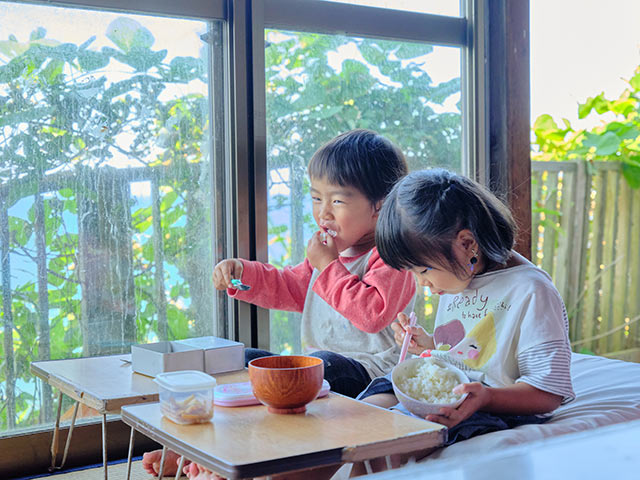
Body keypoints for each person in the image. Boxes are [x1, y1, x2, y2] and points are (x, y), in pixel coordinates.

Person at [142, 129, 417, 477]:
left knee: (311, 367)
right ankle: (195, 451)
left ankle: (236, 460)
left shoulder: (393, 257)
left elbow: (371, 314)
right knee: (242, 362)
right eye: (317, 199)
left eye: (338, 201)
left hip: (368, 371)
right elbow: (290, 286)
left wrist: (327, 265)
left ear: (381, 207)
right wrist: (244, 273)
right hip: (317, 368)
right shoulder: (329, 256)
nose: (324, 213)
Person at [353, 168, 575, 471]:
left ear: (467, 243)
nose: (423, 285)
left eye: (423, 270)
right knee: (361, 418)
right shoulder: (460, 273)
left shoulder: (530, 291)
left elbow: (548, 393)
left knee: (391, 442)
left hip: (497, 404)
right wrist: (429, 343)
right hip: (454, 391)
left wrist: (486, 398)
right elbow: (471, 349)